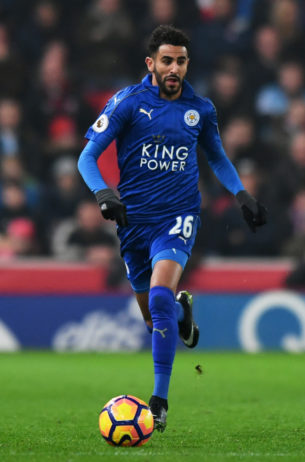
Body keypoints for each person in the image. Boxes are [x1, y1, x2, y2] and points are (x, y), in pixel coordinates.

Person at [78, 25, 267, 432]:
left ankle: (159, 401)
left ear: (187, 64)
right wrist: (104, 194)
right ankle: (182, 310)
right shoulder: (128, 103)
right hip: (134, 224)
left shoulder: (200, 109)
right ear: (151, 63)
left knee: (160, 295)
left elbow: (217, 158)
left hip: (178, 216)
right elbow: (86, 157)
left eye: (181, 61)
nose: (174, 68)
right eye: (167, 60)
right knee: (155, 317)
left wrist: (242, 195)